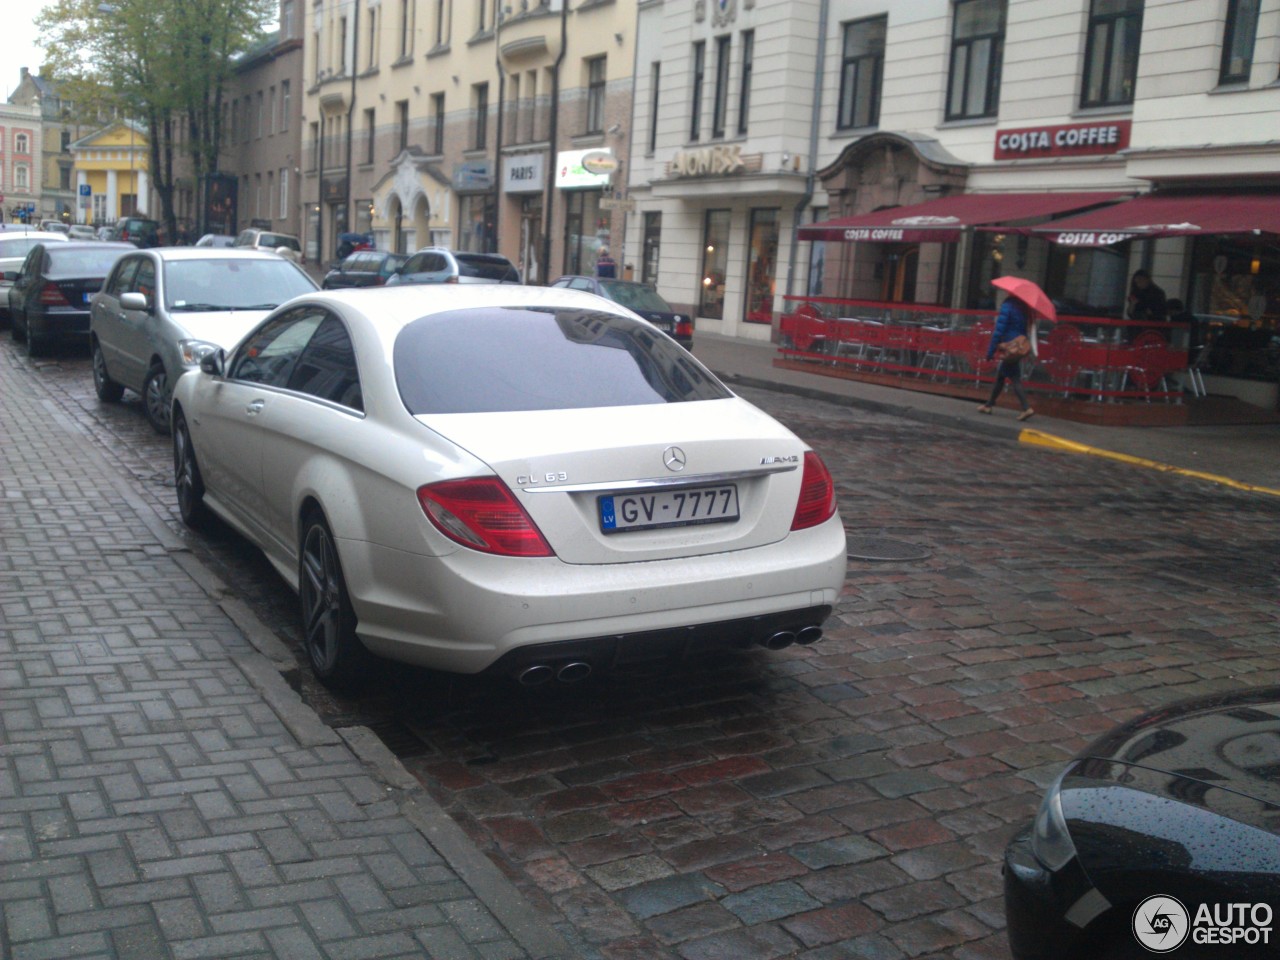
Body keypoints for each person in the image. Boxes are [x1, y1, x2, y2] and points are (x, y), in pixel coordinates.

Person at [977, 293, 1036, 421]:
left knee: (1014, 378)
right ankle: (988, 405)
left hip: (1009, 348)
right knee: (1001, 376)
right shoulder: (1024, 308)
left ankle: (1026, 408)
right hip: (1018, 347)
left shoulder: (1008, 306)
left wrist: (991, 351)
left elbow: (999, 330)